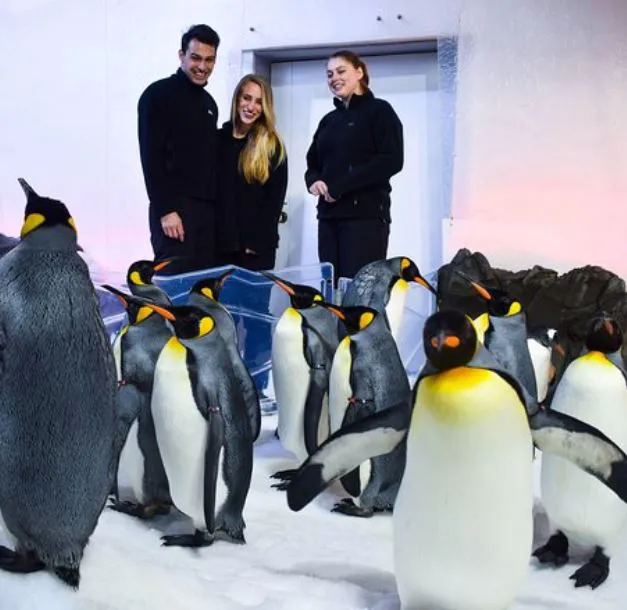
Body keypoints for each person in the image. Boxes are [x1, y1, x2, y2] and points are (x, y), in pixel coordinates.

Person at [216, 74, 288, 408]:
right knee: (223, 321)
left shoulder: (271, 146)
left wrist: (252, 244)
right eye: (246, 98)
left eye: (258, 101)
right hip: (218, 250)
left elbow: (272, 205)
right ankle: (225, 387)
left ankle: (257, 389)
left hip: (255, 251)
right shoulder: (216, 140)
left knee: (256, 322)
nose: (251, 106)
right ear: (236, 99)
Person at [305, 50, 404, 281]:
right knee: (331, 289)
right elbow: (312, 163)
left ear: (359, 72)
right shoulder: (329, 121)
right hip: (329, 218)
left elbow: (391, 160)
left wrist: (342, 186)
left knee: (360, 291)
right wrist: (314, 181)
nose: (334, 78)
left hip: (365, 217)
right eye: (329, 74)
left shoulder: (380, 111)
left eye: (341, 71)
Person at [137, 24, 221, 274]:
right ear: (181, 55)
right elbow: (151, 156)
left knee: (201, 295)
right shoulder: (158, 95)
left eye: (209, 60)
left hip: (205, 215)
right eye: (196, 57)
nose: (202, 66)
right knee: (175, 290)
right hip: (174, 212)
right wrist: (166, 210)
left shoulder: (209, 104)